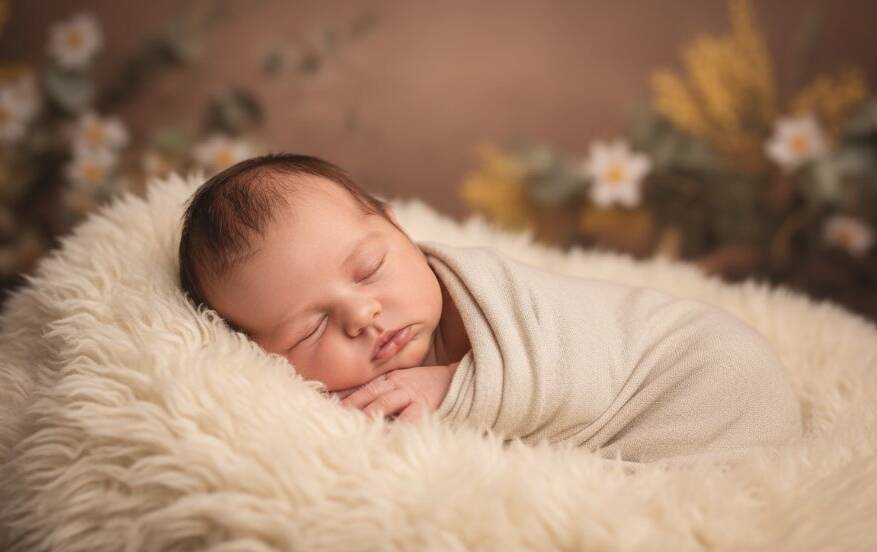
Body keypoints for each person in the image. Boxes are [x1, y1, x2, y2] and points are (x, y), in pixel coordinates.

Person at [179, 153, 802, 463]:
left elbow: (570, 359)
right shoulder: (330, 403)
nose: (362, 316)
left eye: (369, 269)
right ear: (258, 354)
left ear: (400, 230)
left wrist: (451, 389)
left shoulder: (489, 294)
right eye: (310, 328)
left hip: (698, 369)